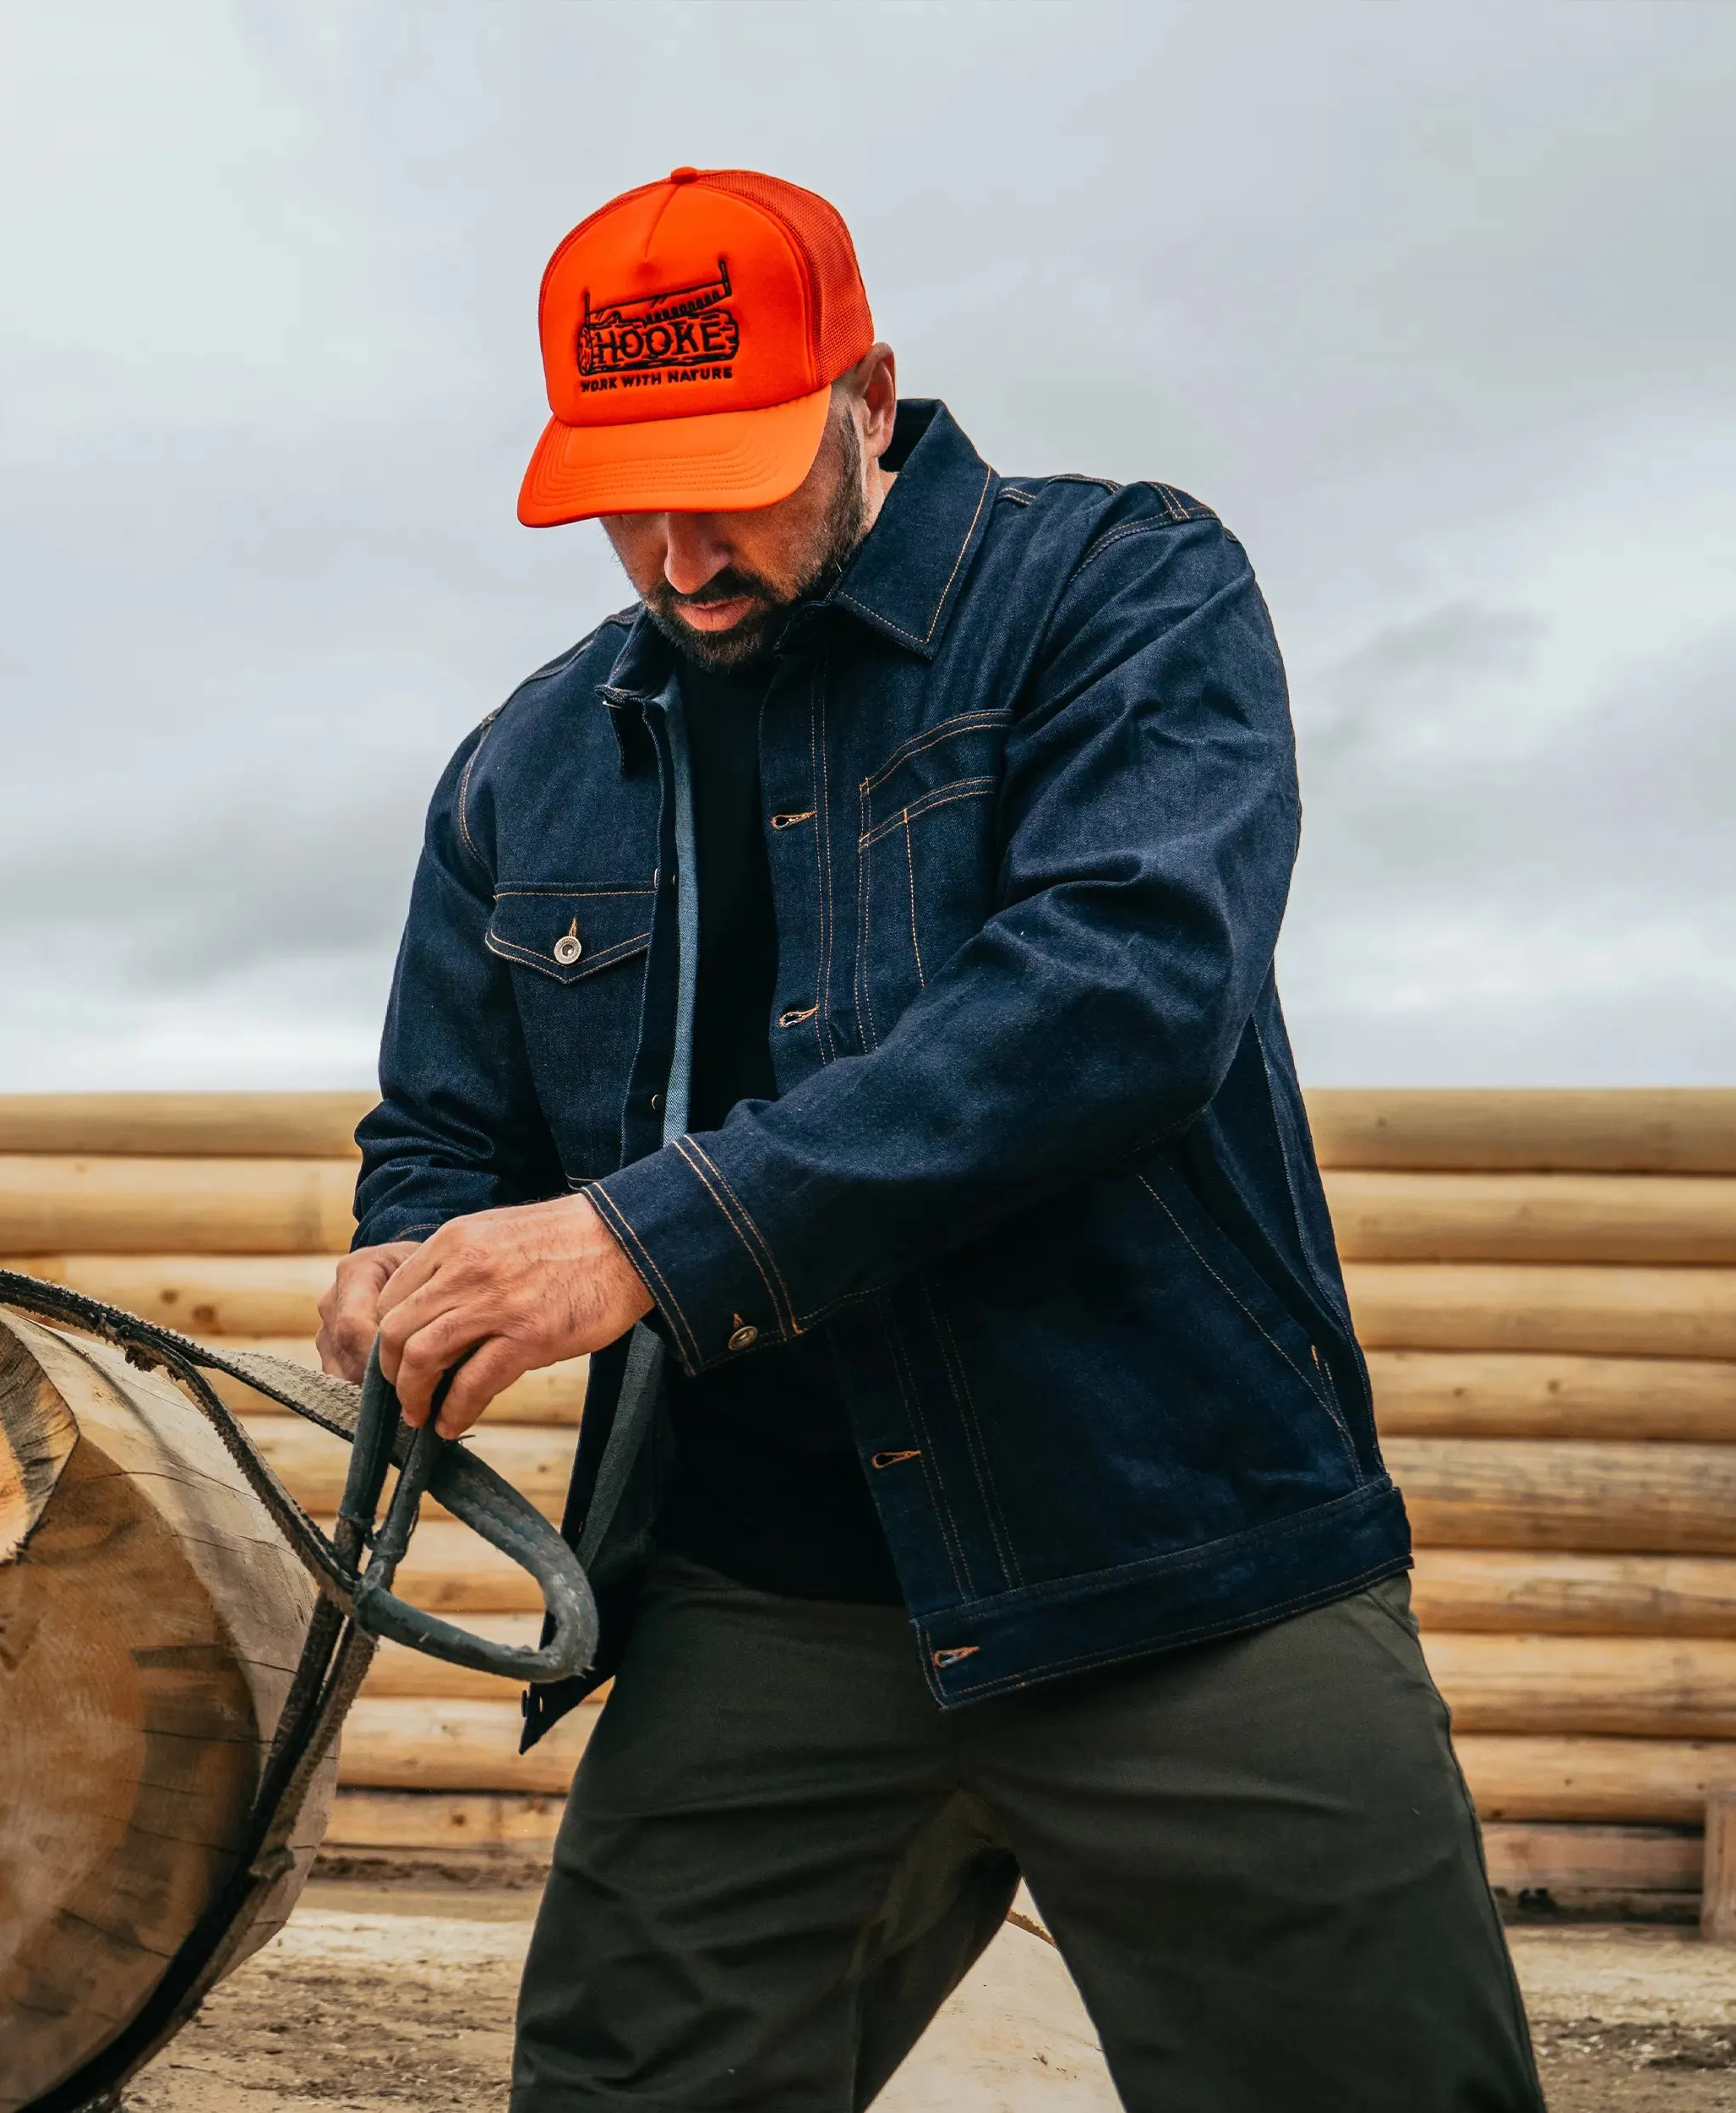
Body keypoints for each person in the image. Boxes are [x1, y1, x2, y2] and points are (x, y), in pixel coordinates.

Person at [318, 167, 1543, 2112]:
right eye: (622, 493)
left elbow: (1114, 996)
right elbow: (443, 1122)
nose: (673, 553)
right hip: (760, 1594)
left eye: (722, 476)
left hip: (1177, 1557)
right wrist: (406, 1258)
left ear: (865, 394)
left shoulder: (1119, 590)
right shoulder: (521, 767)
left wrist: (642, 1237)